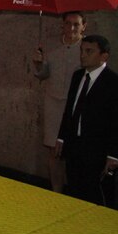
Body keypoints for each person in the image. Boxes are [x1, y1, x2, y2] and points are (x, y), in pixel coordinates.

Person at [54, 34, 118, 207]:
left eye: (89, 51)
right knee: (75, 188)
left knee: (97, 192)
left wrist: (114, 154)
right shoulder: (77, 77)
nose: (83, 55)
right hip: (75, 143)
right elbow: (70, 110)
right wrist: (62, 136)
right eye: (82, 50)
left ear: (104, 56)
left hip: (98, 147)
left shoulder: (117, 85)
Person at [32, 12, 86, 192]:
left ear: (83, 26)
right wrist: (39, 64)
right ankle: (57, 190)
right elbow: (43, 74)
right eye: (68, 24)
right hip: (54, 102)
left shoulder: (87, 49)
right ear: (62, 25)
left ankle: (76, 190)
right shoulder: (52, 46)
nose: (71, 28)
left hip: (78, 104)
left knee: (75, 150)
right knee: (54, 150)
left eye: (76, 25)